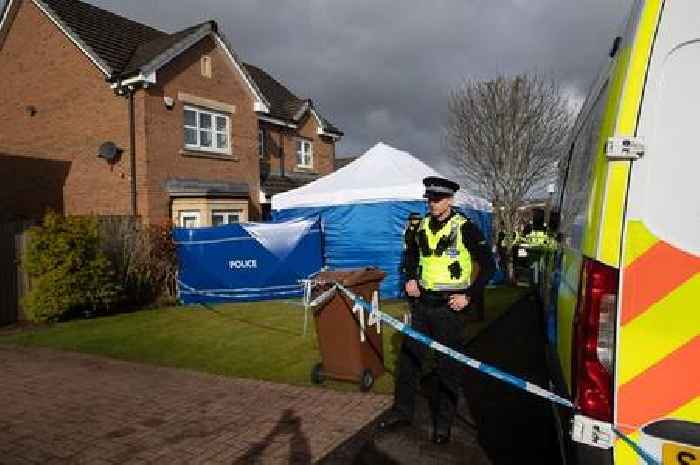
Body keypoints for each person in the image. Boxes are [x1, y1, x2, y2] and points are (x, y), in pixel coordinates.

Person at [379, 176, 495, 444]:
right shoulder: (419, 227)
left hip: (449, 309)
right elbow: (409, 255)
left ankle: (443, 424)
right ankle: (402, 411)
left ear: (450, 200)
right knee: (408, 362)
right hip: (422, 306)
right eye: (429, 198)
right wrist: (409, 278)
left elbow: (489, 267)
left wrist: (468, 296)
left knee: (448, 368)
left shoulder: (465, 228)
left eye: (438, 198)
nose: (432, 203)